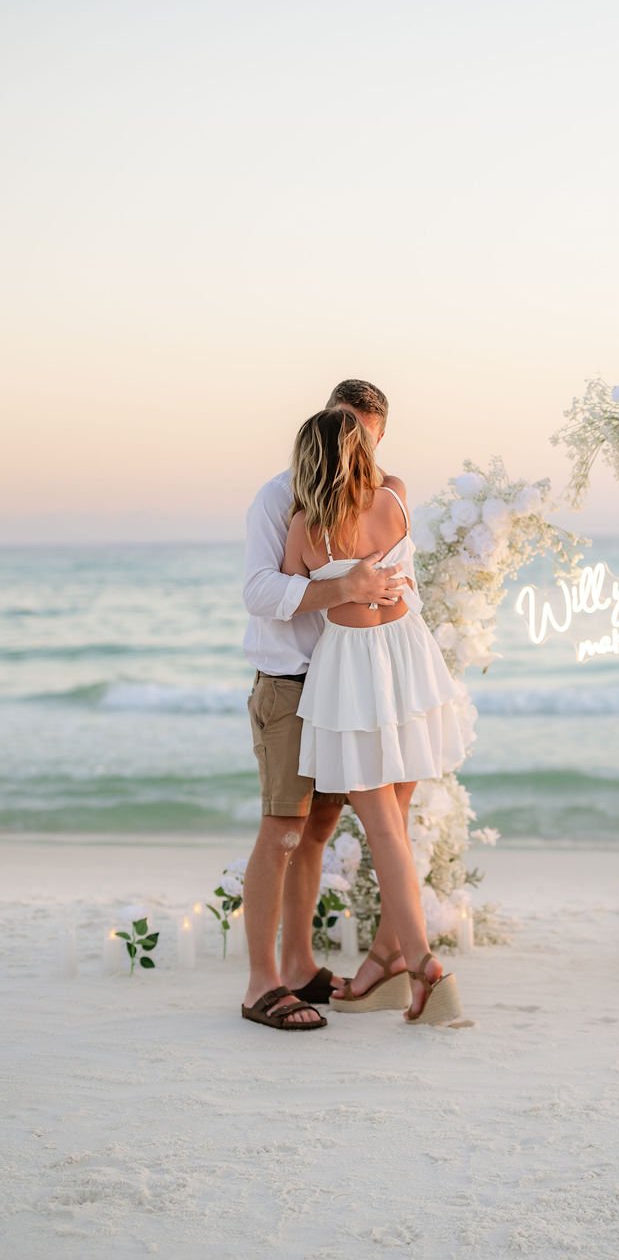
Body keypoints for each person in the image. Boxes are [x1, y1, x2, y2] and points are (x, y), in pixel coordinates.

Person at [283, 406, 475, 1025]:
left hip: (355, 671)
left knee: (384, 830)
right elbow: (405, 572)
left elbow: (290, 595)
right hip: (409, 656)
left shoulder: (307, 527)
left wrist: (338, 579)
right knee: (399, 820)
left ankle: (421, 964)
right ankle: (388, 964)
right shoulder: (393, 501)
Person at [240, 379, 408, 1032]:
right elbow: (259, 590)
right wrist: (342, 584)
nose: (348, 441)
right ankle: (261, 984)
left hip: (345, 687)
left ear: (377, 435)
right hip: (288, 682)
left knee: (317, 831)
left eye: (361, 432)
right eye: (340, 425)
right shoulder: (278, 497)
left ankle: (300, 965)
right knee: (282, 828)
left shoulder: (377, 500)